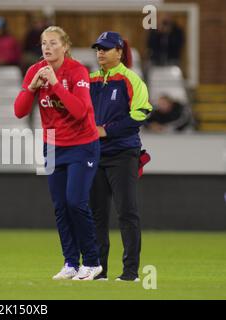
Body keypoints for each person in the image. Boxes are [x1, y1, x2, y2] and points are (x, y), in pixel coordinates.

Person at [14, 26, 102, 281]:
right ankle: (71, 263)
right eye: (44, 43)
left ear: (65, 46)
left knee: (76, 201)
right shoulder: (35, 70)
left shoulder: (77, 71)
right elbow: (20, 112)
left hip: (82, 143)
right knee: (61, 207)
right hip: (52, 144)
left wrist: (55, 84)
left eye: (53, 43)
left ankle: (93, 262)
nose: (47, 47)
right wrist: (31, 87)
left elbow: (80, 111)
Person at [89, 31, 153, 281]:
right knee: (97, 213)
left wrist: (107, 130)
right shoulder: (91, 80)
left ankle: (130, 272)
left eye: (105, 48)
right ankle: (99, 270)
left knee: (126, 211)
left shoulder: (131, 80)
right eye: (98, 48)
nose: (100, 52)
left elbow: (141, 112)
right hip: (95, 154)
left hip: (123, 153)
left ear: (119, 51)